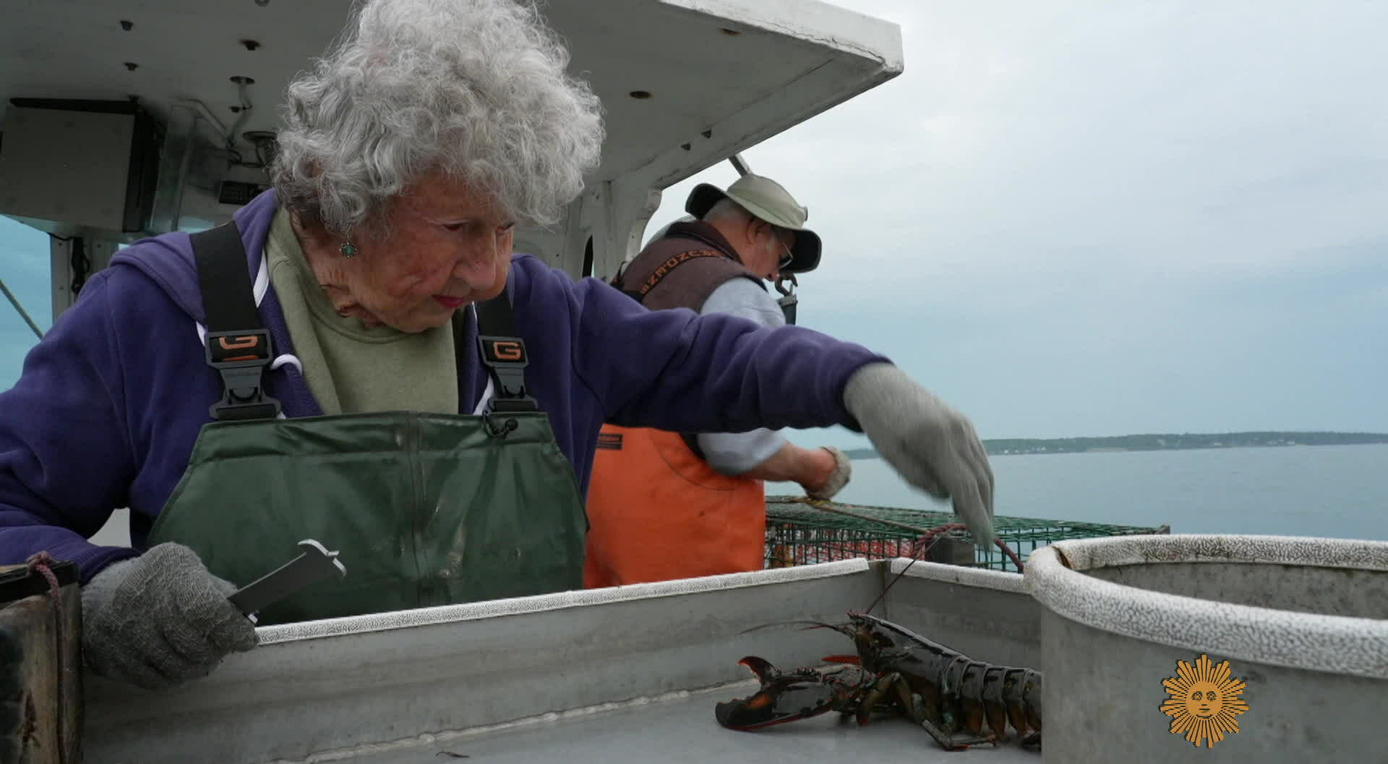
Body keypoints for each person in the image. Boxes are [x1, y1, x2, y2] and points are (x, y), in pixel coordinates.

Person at [0, 0, 994, 691]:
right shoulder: (155, 311)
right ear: (340, 202)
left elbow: (703, 362)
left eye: (509, 227)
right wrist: (94, 585)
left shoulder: (533, 314)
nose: (492, 272)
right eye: (456, 231)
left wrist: (858, 380)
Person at [584, 174, 852, 588]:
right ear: (758, 230)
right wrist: (815, 468)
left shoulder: (632, 276)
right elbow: (737, 446)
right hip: (684, 547)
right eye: (781, 258)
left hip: (602, 532)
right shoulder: (736, 292)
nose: (775, 275)